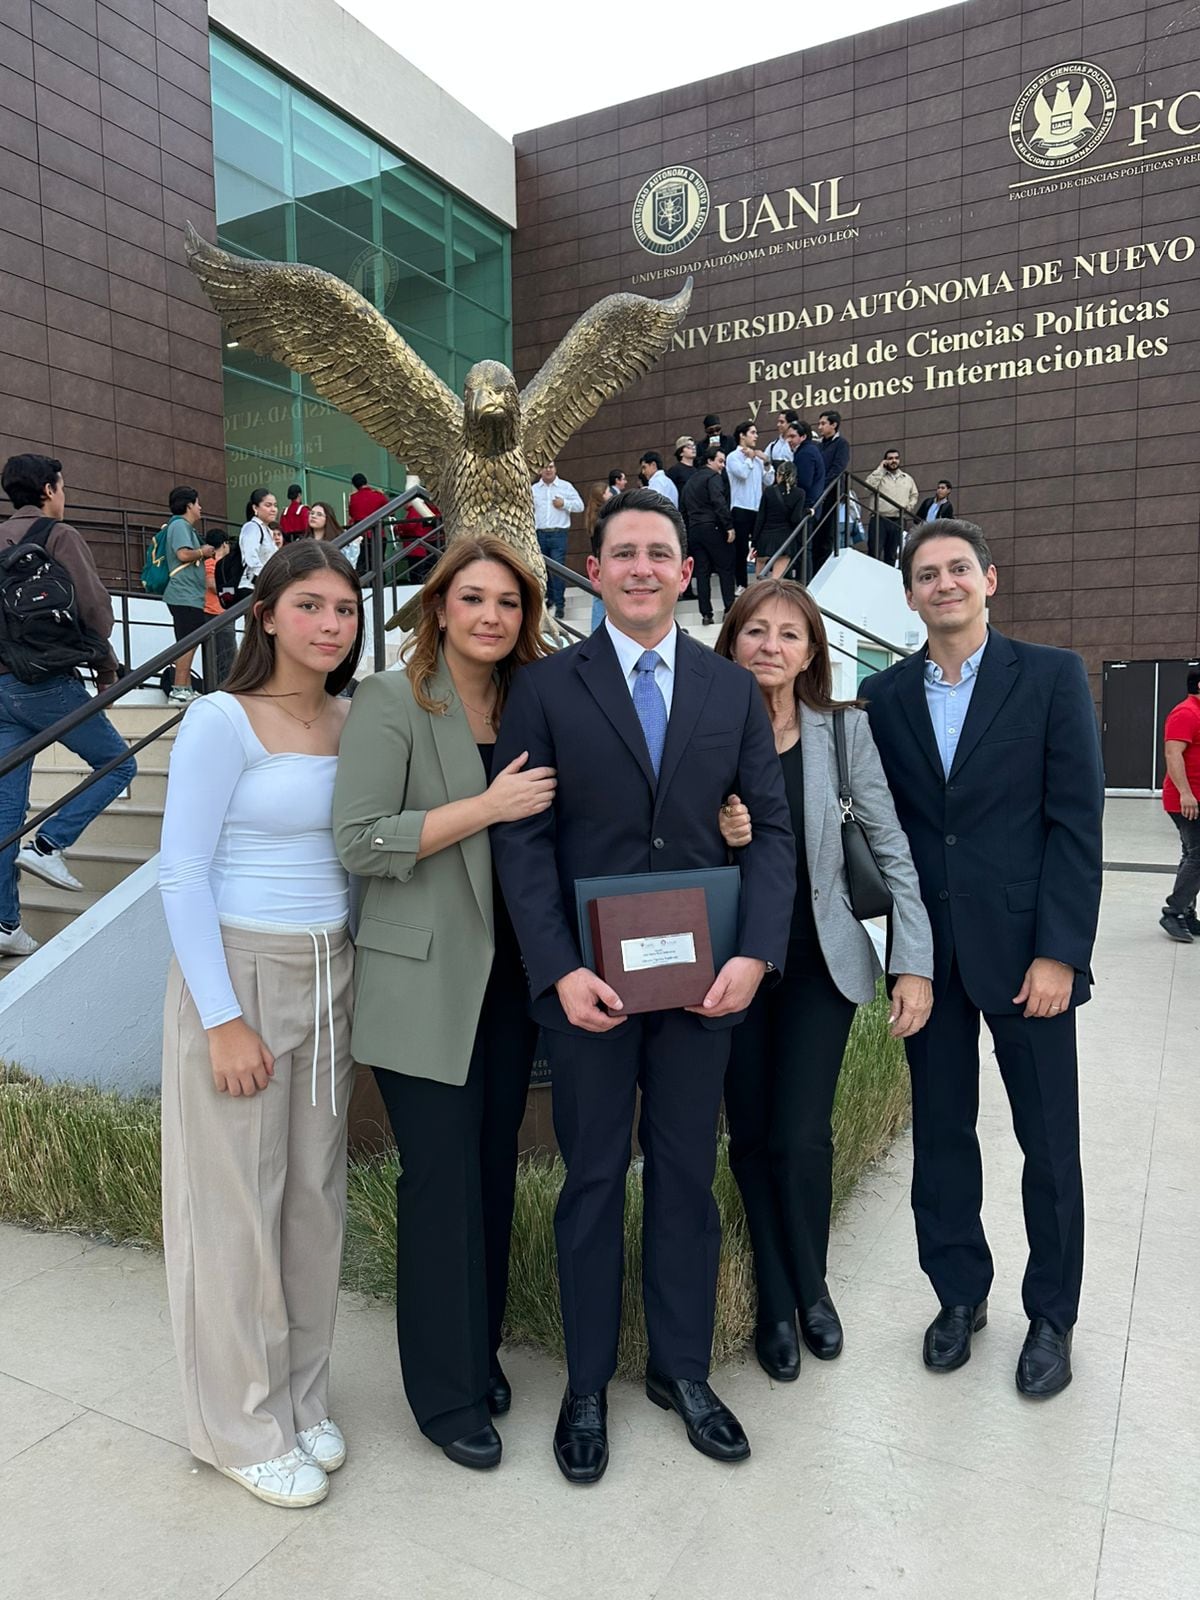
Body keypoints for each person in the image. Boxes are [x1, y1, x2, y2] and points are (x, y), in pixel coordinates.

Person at [491, 486, 795, 1485]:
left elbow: (771, 831)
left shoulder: (725, 687)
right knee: (587, 1183)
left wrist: (754, 953)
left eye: (659, 551)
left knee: (685, 1179)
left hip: (704, 987)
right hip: (591, 993)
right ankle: (585, 1386)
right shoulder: (545, 686)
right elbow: (524, 842)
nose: (641, 567)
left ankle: (681, 1370)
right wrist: (560, 968)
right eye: (621, 552)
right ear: (595, 564)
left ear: (681, 566)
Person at [861, 520, 1104, 1399]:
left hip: (1027, 956)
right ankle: (959, 1296)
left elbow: (1076, 825)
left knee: (1049, 1143)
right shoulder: (882, 696)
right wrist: (902, 954)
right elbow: (888, 833)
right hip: (929, 959)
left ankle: (1052, 1315)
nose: (945, 584)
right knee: (941, 1137)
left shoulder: (1049, 677)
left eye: (959, 569)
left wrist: (1060, 955)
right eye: (928, 574)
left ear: (989, 580)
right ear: (911, 594)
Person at [332, 537, 552, 1471]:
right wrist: (486, 809)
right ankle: (443, 1396)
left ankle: (479, 1352)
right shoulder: (392, 699)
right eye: (474, 599)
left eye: (508, 602)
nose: (492, 616)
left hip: (510, 982)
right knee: (439, 1185)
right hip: (423, 976)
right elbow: (360, 840)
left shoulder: (529, 700)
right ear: (439, 607)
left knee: (492, 1175)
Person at [158, 538, 364, 1508]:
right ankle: (239, 1426)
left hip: (333, 973)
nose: (331, 623)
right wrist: (222, 1016)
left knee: (314, 1201)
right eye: (313, 605)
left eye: (347, 609)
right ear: (269, 614)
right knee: (237, 1207)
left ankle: (300, 1398)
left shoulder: (354, 719)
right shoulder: (220, 720)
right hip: (239, 970)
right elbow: (182, 872)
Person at [713, 581, 933, 1381]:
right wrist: (718, 828)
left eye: (790, 635)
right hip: (728, 965)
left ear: (812, 653)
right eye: (756, 631)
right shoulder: (699, 728)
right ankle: (776, 1298)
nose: (771, 645)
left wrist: (914, 958)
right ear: (732, 640)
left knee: (801, 1135)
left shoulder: (843, 733)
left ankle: (812, 1289)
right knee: (752, 1136)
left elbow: (891, 844)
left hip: (818, 963)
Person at [0, 453, 135, 951]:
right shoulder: (59, 535)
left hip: (0, 692)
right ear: (50, 489)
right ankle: (50, 843)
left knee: (5, 808)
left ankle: (5, 925)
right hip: (46, 683)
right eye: (63, 485)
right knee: (118, 762)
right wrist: (105, 670)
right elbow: (95, 611)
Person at [162, 486, 223, 705]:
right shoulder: (179, 525)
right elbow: (182, 553)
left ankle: (184, 687)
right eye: (197, 503)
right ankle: (179, 688)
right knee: (188, 642)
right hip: (183, 594)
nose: (200, 508)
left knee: (189, 640)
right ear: (189, 505)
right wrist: (203, 552)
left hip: (189, 595)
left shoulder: (182, 526)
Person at [1159, 668, 1200, 942]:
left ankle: (1185, 912)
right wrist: (1185, 793)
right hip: (1187, 799)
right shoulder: (1185, 713)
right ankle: (1173, 912)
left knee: (1192, 854)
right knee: (1198, 856)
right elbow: (1173, 753)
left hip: (1195, 797)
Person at [681, 445, 736, 624]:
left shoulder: (690, 481)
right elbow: (718, 501)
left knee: (702, 573)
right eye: (720, 461)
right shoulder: (713, 477)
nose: (722, 466)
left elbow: (683, 509)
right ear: (709, 461)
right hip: (713, 527)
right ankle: (729, 608)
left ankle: (706, 614)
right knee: (725, 568)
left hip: (694, 530)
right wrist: (728, 526)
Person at [531, 461, 584, 620]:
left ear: (555, 469)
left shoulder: (565, 487)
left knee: (558, 569)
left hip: (558, 534)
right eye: (545, 467)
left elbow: (580, 506)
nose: (548, 470)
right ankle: (550, 599)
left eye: (551, 467)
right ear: (540, 470)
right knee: (542, 570)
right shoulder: (533, 490)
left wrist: (564, 504)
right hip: (539, 534)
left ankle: (560, 605)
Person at [726, 423, 773, 590]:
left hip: (757, 508)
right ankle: (741, 584)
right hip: (740, 508)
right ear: (742, 435)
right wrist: (750, 458)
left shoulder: (757, 458)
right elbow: (743, 474)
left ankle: (763, 580)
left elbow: (769, 481)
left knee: (762, 545)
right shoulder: (733, 457)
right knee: (740, 549)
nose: (756, 436)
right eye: (752, 433)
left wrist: (766, 462)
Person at [752, 461, 807, 579]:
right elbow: (795, 519)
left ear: (779, 475)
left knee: (759, 581)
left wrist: (754, 543)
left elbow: (760, 518)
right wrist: (807, 512)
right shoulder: (800, 493)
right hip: (785, 540)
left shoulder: (769, 491)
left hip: (765, 538)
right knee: (775, 580)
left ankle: (759, 596)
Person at [864, 449, 918, 566]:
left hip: (898, 519)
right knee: (874, 552)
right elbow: (868, 487)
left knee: (892, 554)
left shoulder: (907, 478)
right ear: (885, 460)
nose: (894, 460)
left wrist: (909, 507)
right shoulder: (879, 475)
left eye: (896, 458)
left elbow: (914, 495)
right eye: (890, 458)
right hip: (880, 518)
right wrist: (880, 469)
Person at [813, 411, 850, 574]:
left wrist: (822, 486)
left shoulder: (841, 444)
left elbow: (838, 468)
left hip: (830, 494)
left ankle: (822, 573)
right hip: (818, 495)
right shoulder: (819, 445)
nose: (820, 427)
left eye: (823, 423)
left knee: (826, 536)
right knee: (815, 537)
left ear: (833, 425)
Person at [202, 535, 236, 688]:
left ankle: (225, 686)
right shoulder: (211, 563)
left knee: (227, 655)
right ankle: (223, 688)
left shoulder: (220, 564)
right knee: (225, 655)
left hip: (223, 611)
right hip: (215, 613)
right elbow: (212, 584)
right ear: (224, 544)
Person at [348, 474, 391, 575]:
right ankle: (382, 585)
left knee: (363, 563)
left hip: (361, 535)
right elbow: (390, 511)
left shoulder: (353, 497)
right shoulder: (378, 495)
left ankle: (364, 585)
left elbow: (352, 513)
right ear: (366, 481)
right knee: (379, 563)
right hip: (378, 534)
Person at [239, 488, 278, 591]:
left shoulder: (268, 530)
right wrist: (265, 579)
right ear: (255, 508)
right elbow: (251, 558)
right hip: (251, 587)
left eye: (275, 505)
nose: (273, 509)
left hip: (263, 587)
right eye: (268, 505)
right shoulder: (252, 527)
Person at [308, 500, 359, 570]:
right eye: (312, 513)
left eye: (319, 514)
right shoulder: (303, 541)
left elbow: (349, 565)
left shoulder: (339, 541)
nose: (313, 516)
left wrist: (355, 545)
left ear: (328, 518)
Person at [666, 437, 697, 502]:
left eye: (693, 446)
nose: (693, 448)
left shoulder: (696, 471)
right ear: (681, 453)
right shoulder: (675, 470)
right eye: (688, 447)